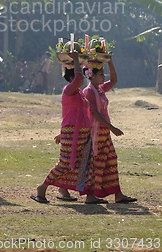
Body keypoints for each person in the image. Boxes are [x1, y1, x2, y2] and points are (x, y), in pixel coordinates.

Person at [31, 52, 101, 204]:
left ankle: (88, 194)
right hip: (72, 132)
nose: (80, 81)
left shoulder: (78, 93)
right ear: (71, 77)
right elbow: (79, 78)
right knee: (65, 163)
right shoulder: (68, 90)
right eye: (76, 76)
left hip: (82, 133)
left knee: (86, 163)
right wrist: (76, 59)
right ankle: (42, 188)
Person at [82, 60, 137, 204]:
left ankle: (117, 194)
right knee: (97, 162)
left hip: (103, 131)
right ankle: (90, 195)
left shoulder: (99, 89)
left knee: (110, 160)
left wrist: (110, 62)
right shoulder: (88, 91)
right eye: (100, 74)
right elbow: (94, 113)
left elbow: (114, 80)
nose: (103, 76)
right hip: (96, 132)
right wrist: (112, 127)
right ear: (91, 76)